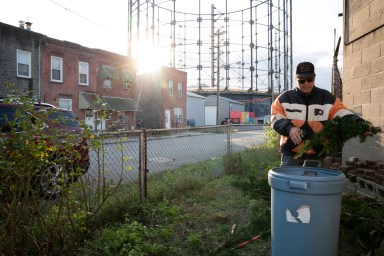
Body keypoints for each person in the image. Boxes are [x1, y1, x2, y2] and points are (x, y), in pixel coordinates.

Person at [270, 61, 364, 167]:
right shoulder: (285, 98)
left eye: (310, 80)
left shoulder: (326, 97)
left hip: (318, 153)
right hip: (291, 153)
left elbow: (340, 112)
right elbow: (276, 118)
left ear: (314, 78)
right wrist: (289, 128)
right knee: (290, 183)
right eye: (302, 81)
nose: (306, 83)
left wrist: (356, 121)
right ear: (296, 80)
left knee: (315, 183)